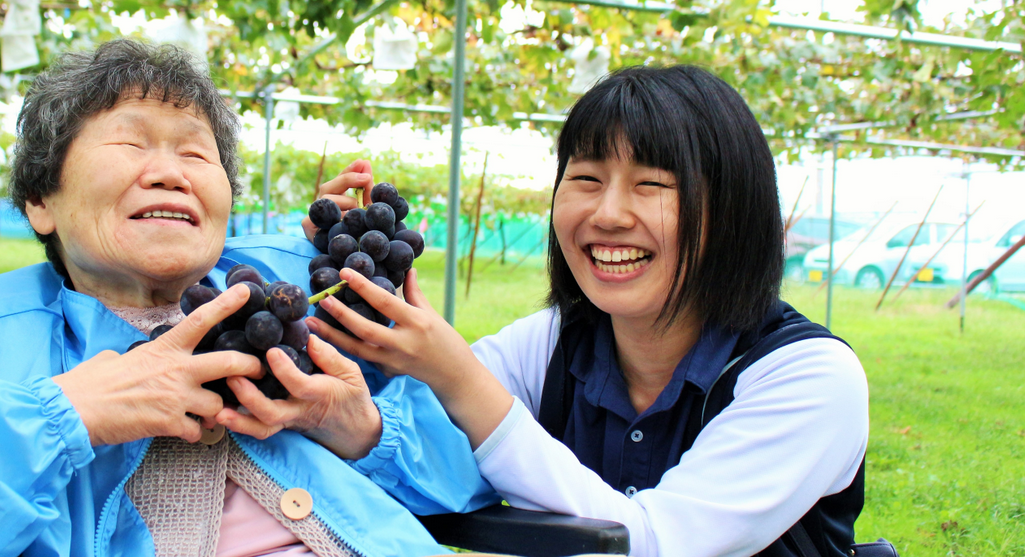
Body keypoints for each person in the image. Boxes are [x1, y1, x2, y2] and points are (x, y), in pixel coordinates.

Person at [0, 40, 491, 557]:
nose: (170, 173)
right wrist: (68, 416)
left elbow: (467, 483)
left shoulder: (300, 318)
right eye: (130, 144)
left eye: (195, 152)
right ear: (40, 202)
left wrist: (360, 430)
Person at [307, 66, 870, 557]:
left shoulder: (808, 379)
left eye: (652, 184)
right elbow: (420, 448)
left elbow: (648, 546)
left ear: (730, 214)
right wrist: (313, 263)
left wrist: (461, 379)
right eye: (585, 179)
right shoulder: (551, 344)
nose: (607, 213)